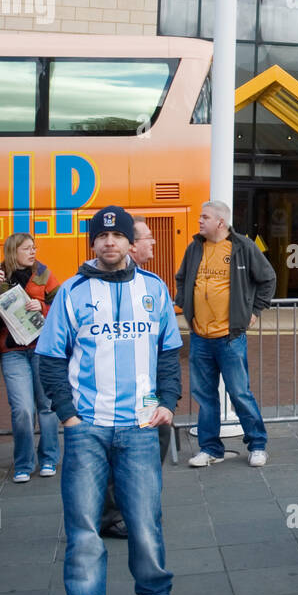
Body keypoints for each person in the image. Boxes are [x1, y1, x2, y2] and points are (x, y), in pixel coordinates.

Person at [35, 205, 181, 595]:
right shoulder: (72, 292)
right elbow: (51, 358)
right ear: (93, 243)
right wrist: (67, 415)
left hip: (139, 427)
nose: (111, 242)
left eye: (118, 236)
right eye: (102, 236)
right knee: (83, 530)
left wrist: (167, 404)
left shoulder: (153, 289)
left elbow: (169, 354)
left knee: (144, 521)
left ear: (129, 242)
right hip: (87, 429)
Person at [175, 200, 276, 467]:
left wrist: (254, 311)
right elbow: (182, 277)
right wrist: (185, 304)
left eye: (204, 217)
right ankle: (210, 449)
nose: (199, 220)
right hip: (200, 337)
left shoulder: (243, 247)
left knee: (239, 393)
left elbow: (268, 278)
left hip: (229, 338)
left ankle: (257, 445)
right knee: (205, 397)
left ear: (221, 222)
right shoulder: (195, 247)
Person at [98, 218, 171, 539]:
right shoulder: (94, 286)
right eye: (148, 239)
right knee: (116, 452)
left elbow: (166, 344)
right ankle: (113, 515)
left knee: (157, 439)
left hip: (145, 391)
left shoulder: (152, 285)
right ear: (134, 244)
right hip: (110, 394)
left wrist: (167, 396)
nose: (152, 244)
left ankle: (139, 506)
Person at [0, 234, 60, 483]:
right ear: (13, 251)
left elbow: (62, 307)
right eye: (27, 249)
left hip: (42, 348)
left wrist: (40, 307)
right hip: (13, 351)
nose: (33, 252)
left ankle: (49, 458)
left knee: (47, 406)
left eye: (34, 248)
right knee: (22, 409)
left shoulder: (44, 273)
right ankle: (23, 463)